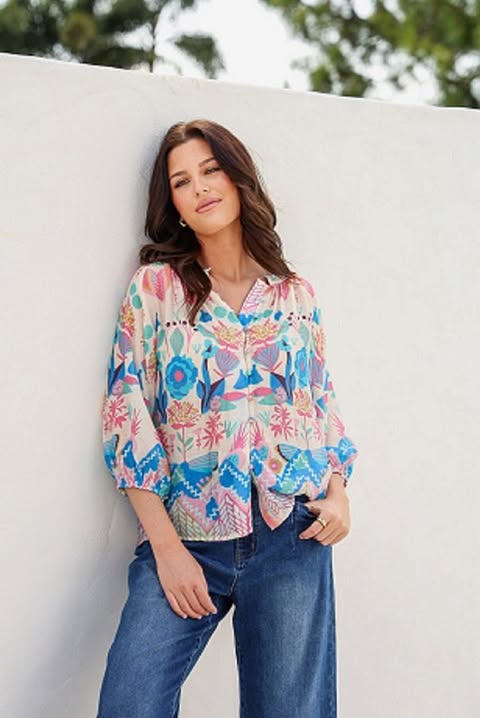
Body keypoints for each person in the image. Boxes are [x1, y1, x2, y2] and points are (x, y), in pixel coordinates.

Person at [97, 118, 359, 718]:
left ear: (238, 179)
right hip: (187, 533)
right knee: (130, 701)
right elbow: (127, 411)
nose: (200, 187)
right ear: (174, 204)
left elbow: (319, 402)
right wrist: (166, 548)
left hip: (292, 535)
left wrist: (339, 493)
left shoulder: (295, 294)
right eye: (181, 181)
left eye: (211, 170)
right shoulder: (157, 289)